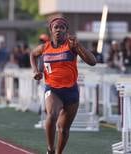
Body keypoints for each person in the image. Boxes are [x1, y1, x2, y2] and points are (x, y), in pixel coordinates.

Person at [30, 17, 96, 154]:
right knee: (51, 115)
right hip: (52, 89)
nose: (59, 30)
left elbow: (92, 61)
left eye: (62, 27)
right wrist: (36, 71)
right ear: (51, 30)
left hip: (71, 91)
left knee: (63, 129)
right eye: (56, 27)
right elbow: (32, 54)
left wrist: (79, 46)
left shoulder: (71, 45)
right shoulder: (44, 47)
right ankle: (50, 149)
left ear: (66, 31)